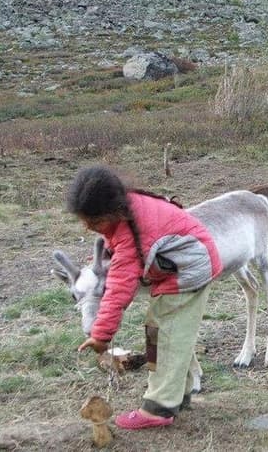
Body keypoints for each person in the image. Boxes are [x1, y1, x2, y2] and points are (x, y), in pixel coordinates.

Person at [68, 165, 222, 430]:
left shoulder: (133, 229)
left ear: (113, 211)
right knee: (168, 333)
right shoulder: (127, 211)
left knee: (162, 336)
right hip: (183, 266)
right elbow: (118, 249)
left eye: (94, 222)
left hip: (188, 272)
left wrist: (101, 335)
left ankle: (158, 408)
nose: (88, 227)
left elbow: (118, 288)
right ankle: (178, 396)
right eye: (84, 222)